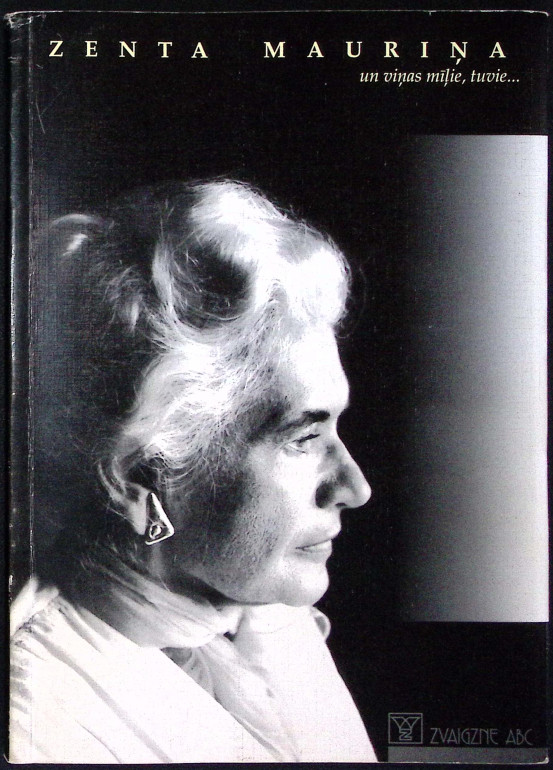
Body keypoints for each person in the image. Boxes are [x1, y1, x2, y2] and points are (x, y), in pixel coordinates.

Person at [10, 180, 377, 763]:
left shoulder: (270, 616)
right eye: (302, 438)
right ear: (139, 479)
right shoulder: (38, 717)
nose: (354, 488)